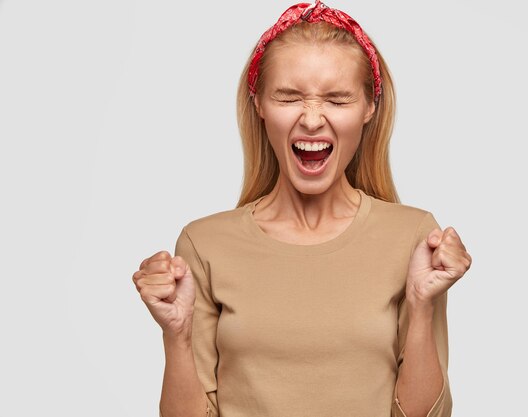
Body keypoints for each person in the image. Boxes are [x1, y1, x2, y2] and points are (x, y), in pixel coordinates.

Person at [132, 1, 472, 417]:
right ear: (259, 105)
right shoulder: (204, 245)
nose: (312, 120)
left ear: (369, 107)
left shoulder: (414, 237)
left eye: (338, 99)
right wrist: (176, 336)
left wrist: (421, 305)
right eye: (289, 97)